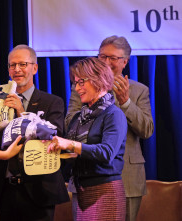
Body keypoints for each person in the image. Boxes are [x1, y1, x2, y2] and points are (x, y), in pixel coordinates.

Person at [0, 44, 69, 221]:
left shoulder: (52, 102)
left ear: (35, 68)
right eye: (12, 65)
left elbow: (55, 138)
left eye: (23, 64)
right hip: (4, 191)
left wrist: (21, 112)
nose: (17, 70)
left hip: (39, 191)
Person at [65, 36, 154, 221]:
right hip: (86, 176)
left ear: (124, 62)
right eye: (102, 57)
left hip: (127, 177)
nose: (106, 62)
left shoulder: (139, 90)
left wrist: (126, 103)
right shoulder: (81, 88)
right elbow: (69, 125)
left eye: (112, 58)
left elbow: (147, 130)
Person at [48, 57, 127, 220]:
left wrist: (69, 144)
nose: (77, 88)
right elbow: (74, 152)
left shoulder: (114, 114)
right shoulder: (78, 117)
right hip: (80, 191)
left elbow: (106, 153)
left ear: (99, 79)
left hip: (105, 192)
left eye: (81, 82)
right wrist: (53, 146)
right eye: (75, 83)